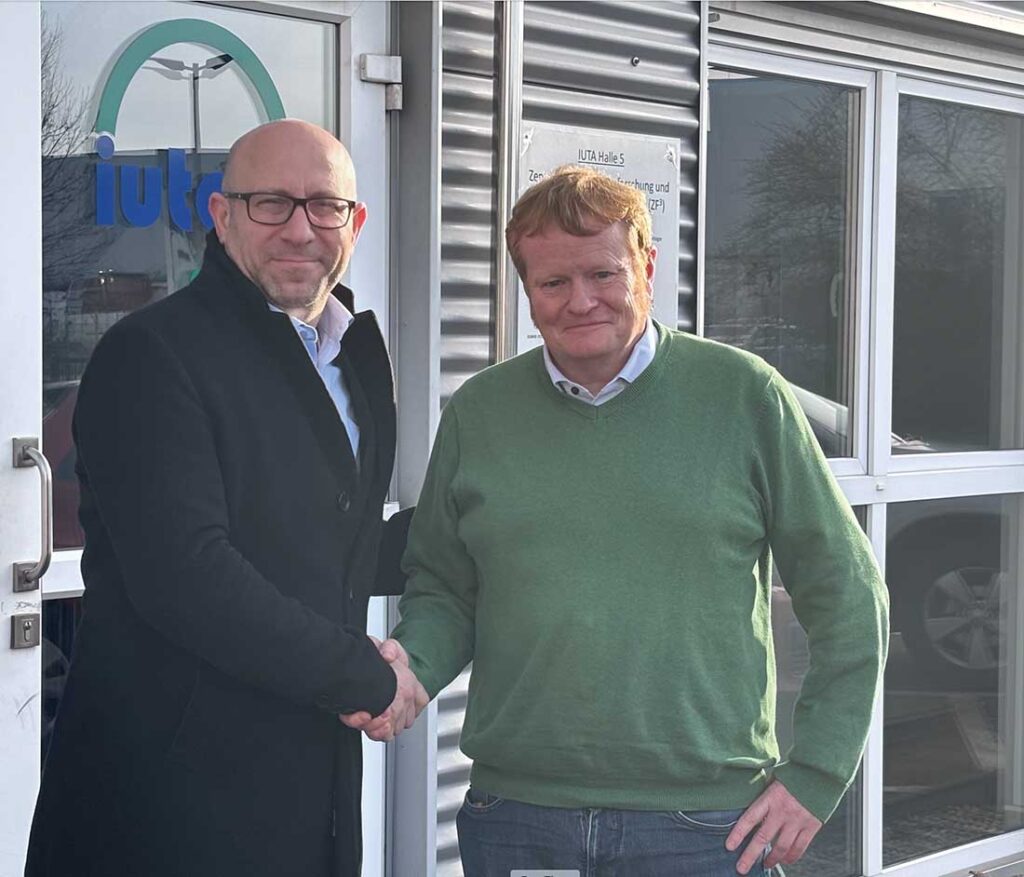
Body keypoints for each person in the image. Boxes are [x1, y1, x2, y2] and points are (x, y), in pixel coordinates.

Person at [348, 166, 889, 875]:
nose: (580, 301)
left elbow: (849, 597)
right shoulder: (480, 413)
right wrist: (412, 669)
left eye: (603, 274)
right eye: (552, 283)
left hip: (706, 824)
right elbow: (446, 588)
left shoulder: (743, 395)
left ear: (647, 266)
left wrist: (816, 774)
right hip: (518, 817)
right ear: (527, 289)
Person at [26, 119, 426, 877]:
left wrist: (484, 533)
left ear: (356, 222)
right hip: (169, 802)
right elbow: (187, 575)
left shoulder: (350, 360)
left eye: (323, 206)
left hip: (310, 783)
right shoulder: (154, 355)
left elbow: (327, 542)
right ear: (222, 214)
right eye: (271, 202)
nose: (299, 228)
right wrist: (366, 676)